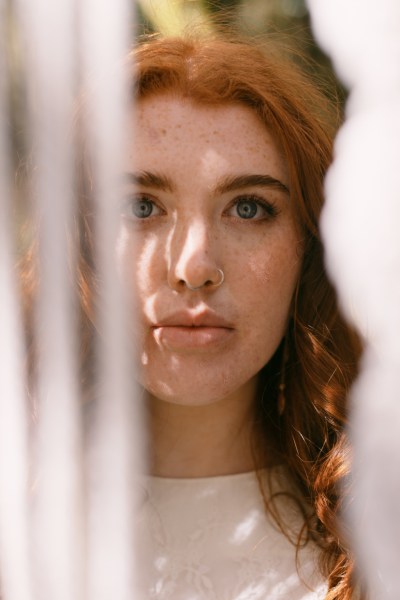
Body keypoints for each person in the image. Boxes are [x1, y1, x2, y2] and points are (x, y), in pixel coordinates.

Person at [24, 33, 363, 600]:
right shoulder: (21, 523)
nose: (194, 267)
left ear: (310, 245)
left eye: (249, 208)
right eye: (140, 206)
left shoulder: (378, 534)